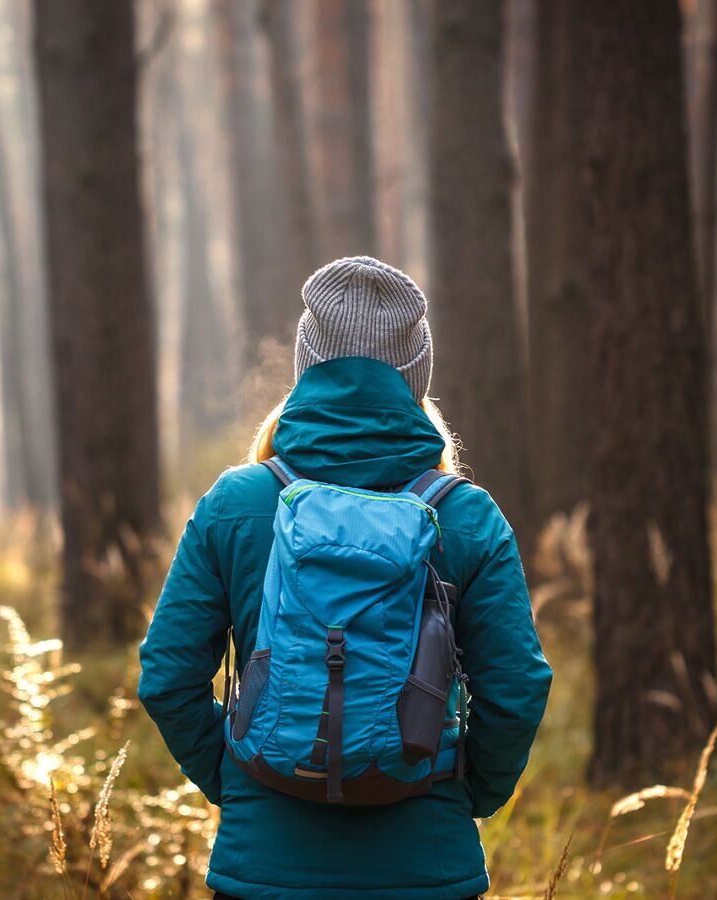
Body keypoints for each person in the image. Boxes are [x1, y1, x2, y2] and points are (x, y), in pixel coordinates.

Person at [138, 256, 552, 899]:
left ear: (307, 366)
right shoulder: (466, 517)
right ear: (417, 376)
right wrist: (467, 789)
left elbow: (167, 678)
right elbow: (518, 688)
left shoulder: (237, 504)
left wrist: (244, 775)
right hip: (427, 866)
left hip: (263, 869)